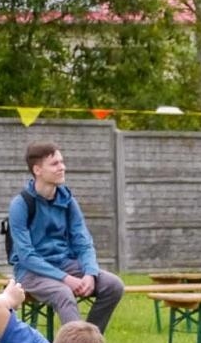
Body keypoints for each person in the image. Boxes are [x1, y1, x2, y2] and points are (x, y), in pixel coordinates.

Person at [7, 142, 124, 333]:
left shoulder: (68, 201)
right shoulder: (20, 205)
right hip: (30, 272)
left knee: (113, 285)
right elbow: (26, 256)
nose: (62, 167)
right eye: (54, 164)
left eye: (62, 162)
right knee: (63, 293)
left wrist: (90, 273)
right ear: (37, 170)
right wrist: (65, 279)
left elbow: (83, 242)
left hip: (65, 263)